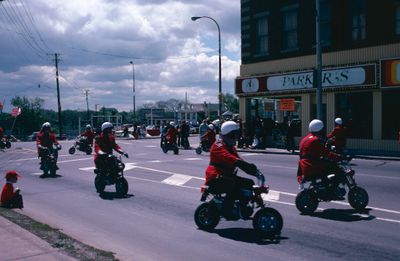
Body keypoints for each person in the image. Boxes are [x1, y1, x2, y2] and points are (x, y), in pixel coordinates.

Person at [204, 120, 263, 219]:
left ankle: (243, 207)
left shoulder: (231, 147)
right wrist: (240, 163)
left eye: (236, 135)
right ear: (225, 135)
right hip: (215, 179)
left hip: (226, 177)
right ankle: (227, 211)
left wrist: (253, 170)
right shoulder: (218, 146)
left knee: (249, 183)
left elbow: (239, 161)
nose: (235, 138)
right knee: (232, 185)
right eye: (232, 135)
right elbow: (230, 158)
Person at [297, 119, 342, 188]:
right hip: (312, 166)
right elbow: (325, 153)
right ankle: (330, 189)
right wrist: (339, 157)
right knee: (336, 169)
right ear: (320, 129)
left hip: (304, 166)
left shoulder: (305, 138)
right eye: (323, 129)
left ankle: (325, 186)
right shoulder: (315, 140)